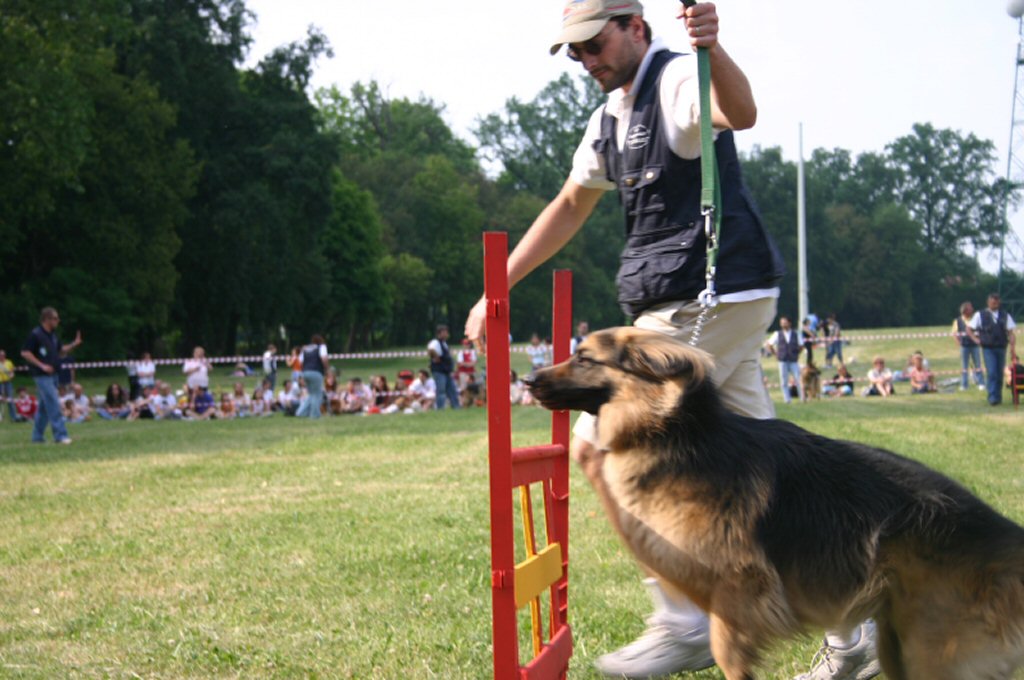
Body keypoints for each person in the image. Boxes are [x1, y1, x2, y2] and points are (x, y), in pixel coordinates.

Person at [466, 3, 875, 678]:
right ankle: (850, 632)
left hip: (703, 296)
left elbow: (738, 112)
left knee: (605, 439)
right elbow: (571, 203)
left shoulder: (680, 80)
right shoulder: (608, 121)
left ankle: (685, 620)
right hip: (718, 300)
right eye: (574, 53)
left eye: (593, 44)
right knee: (775, 477)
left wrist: (716, 49)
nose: (586, 60)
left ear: (634, 26)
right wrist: (498, 286)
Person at [21, 307, 82, 444]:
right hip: (42, 376)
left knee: (43, 408)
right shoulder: (35, 335)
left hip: (54, 374)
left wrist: (74, 344)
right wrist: (41, 365)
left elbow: (61, 351)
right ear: (47, 319)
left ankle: (37, 437)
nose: (58, 321)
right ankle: (60, 436)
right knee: (54, 403)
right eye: (55, 318)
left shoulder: (53, 336)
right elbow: (25, 353)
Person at [970, 293, 1017, 406]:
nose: (994, 304)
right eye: (992, 302)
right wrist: (975, 340)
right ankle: (992, 397)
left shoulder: (1005, 315)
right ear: (988, 302)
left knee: (999, 374)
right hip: (988, 348)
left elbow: (1010, 333)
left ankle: (998, 396)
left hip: (1001, 347)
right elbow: (969, 329)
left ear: (999, 302)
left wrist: (1012, 348)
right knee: (992, 372)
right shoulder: (980, 315)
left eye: (996, 302)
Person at [765, 316, 803, 404]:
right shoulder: (777, 334)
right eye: (782, 323)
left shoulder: (796, 333)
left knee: (798, 379)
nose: (783, 324)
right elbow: (769, 344)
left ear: (789, 323)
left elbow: (801, 345)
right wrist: (776, 354)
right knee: (784, 381)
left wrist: (796, 353)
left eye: (785, 322)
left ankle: (802, 397)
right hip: (782, 360)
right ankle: (787, 399)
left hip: (793, 360)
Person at [427, 324, 460, 410]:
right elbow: (430, 350)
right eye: (445, 332)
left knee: (452, 390)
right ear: (439, 333)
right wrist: (435, 357)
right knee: (441, 391)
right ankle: (440, 408)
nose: (447, 334)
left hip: (446, 371)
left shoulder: (444, 343)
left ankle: (456, 407)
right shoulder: (435, 342)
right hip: (439, 371)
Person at [295, 334, 328, 418]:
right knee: (317, 394)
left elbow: (300, 361)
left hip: (305, 372)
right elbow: (324, 358)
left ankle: (300, 413)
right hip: (316, 372)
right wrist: (326, 368)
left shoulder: (305, 349)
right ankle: (314, 415)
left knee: (311, 394)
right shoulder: (321, 347)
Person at [0, 349, 16, 421]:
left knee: (10, 399)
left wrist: (11, 375)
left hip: (8, 383)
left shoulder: (9, 362)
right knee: (1, 400)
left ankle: (13, 417)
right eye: (0, 355)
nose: (2, 356)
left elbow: (12, 372)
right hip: (0, 383)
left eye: (3, 355)